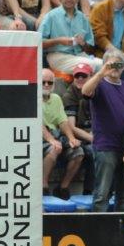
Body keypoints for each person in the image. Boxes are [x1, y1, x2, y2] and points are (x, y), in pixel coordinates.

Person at [80, 50, 124, 212]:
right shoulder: (99, 84)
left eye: (119, 64)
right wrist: (102, 72)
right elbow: (85, 91)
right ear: (105, 65)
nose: (115, 67)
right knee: (102, 193)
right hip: (105, 146)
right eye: (112, 64)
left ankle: (122, 227)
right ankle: (98, 227)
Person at [40, 0, 102, 78]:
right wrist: (59, 40)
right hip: (57, 55)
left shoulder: (83, 18)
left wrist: (83, 43)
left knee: (103, 64)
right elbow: (39, 42)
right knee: (90, 65)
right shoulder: (51, 16)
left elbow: (90, 48)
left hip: (79, 55)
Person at [41, 68, 84, 199]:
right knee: (54, 149)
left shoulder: (56, 98)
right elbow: (37, 125)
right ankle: (43, 186)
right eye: (43, 82)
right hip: (39, 138)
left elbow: (63, 121)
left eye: (50, 82)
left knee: (78, 151)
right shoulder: (31, 99)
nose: (46, 85)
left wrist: (71, 138)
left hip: (57, 135)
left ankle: (63, 187)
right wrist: (51, 140)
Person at [62, 62, 96, 196]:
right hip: (77, 136)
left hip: (96, 131)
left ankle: (110, 191)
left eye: (84, 76)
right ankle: (89, 191)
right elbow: (71, 127)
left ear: (91, 77)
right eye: (77, 76)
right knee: (93, 151)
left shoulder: (98, 90)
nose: (80, 79)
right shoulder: (69, 95)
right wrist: (93, 138)